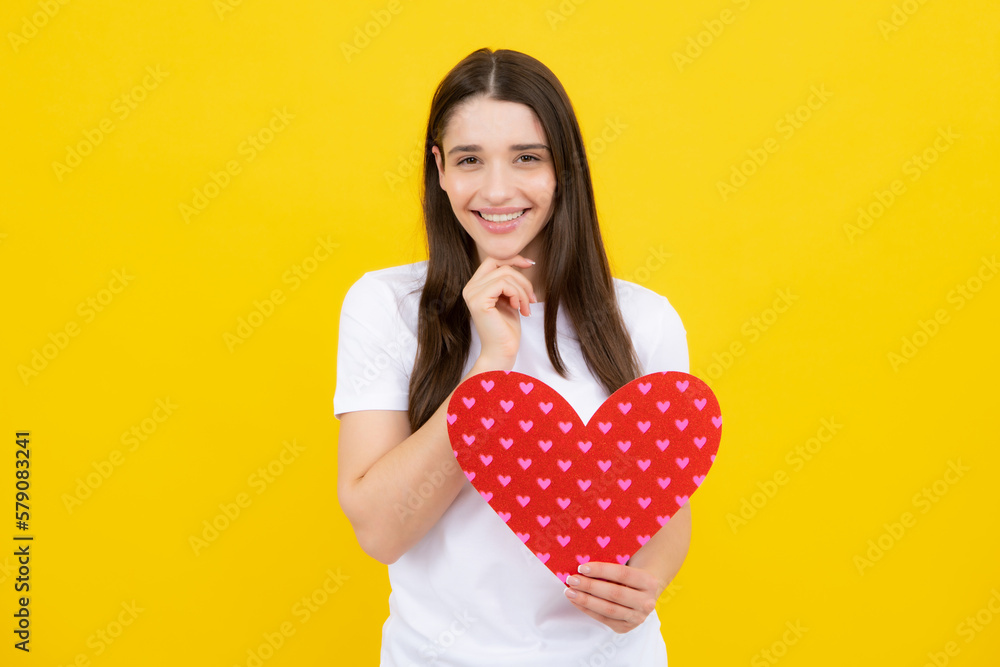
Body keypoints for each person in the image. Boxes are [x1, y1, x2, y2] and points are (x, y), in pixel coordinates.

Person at [334, 47, 691, 666]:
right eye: (470, 160)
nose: (497, 190)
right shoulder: (387, 306)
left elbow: (665, 512)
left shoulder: (643, 319)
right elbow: (382, 531)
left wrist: (647, 584)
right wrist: (490, 366)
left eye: (527, 157)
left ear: (563, 169)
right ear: (441, 170)